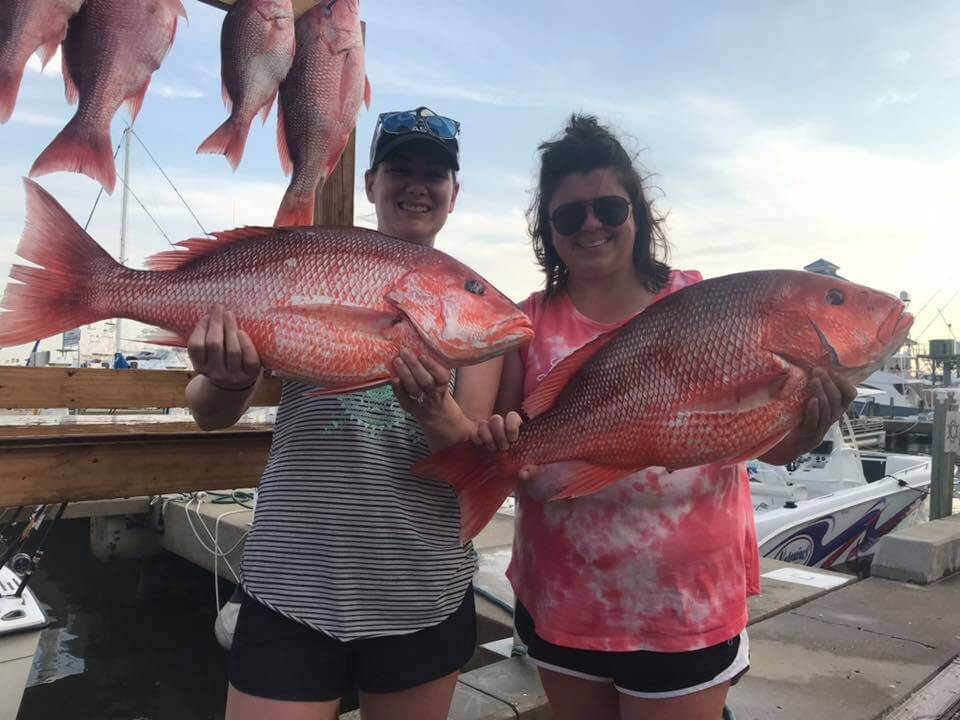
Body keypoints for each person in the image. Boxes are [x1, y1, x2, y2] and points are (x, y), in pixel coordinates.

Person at [476, 114, 857, 720]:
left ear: (638, 212)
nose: (592, 224)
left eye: (609, 207)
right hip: (563, 600)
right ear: (548, 230)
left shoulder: (703, 302)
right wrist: (502, 451)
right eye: (570, 215)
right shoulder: (527, 322)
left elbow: (774, 452)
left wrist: (811, 421)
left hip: (685, 605)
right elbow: (510, 442)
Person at [185, 107, 501, 720]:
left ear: (454, 194)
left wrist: (435, 411)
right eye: (399, 169)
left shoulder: (473, 311)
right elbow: (206, 412)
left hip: (420, 589)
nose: (417, 185)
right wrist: (230, 380)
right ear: (370, 185)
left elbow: (475, 460)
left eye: (435, 174)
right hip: (291, 583)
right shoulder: (317, 261)